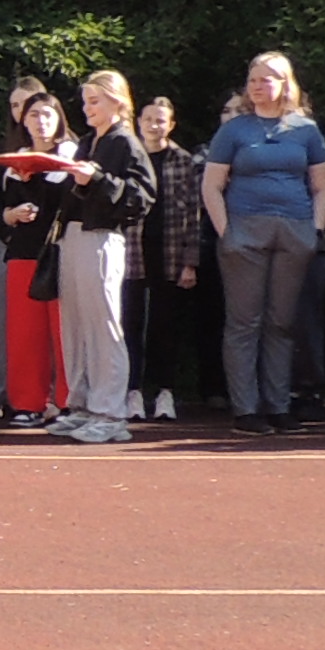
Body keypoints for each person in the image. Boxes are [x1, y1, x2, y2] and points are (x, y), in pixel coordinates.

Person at [200, 55, 325, 435]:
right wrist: (226, 231)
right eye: (253, 79)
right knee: (244, 322)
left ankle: (278, 405)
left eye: (266, 79)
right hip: (244, 229)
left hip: (294, 230)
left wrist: (314, 229)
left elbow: (322, 186)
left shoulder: (306, 130)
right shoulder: (234, 130)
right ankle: (245, 409)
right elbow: (211, 185)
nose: (257, 86)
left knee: (282, 322)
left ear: (285, 84)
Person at [50, 73, 157, 443]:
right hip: (73, 236)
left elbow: (141, 198)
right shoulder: (86, 141)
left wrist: (96, 180)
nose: (87, 108)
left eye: (95, 101)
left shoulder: (126, 142)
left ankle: (111, 413)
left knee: (103, 326)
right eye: (86, 101)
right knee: (76, 326)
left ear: (117, 101)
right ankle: (81, 405)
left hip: (102, 238)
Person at [0, 81, 79, 422]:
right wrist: (11, 214)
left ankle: (69, 402)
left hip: (61, 252)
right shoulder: (14, 162)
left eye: (47, 114)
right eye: (33, 115)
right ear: (23, 122)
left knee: (65, 331)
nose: (40, 121)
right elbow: (1, 209)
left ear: (59, 118)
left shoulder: (73, 156)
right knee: (25, 333)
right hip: (23, 253)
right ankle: (28, 404)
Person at [132, 92, 204, 420]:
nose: (153, 125)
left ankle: (164, 392)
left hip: (170, 251)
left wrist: (190, 262)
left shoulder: (184, 161)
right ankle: (132, 391)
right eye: (148, 119)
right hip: (132, 252)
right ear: (138, 122)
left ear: (171, 125)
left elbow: (193, 213)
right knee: (130, 323)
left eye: (160, 120)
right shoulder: (130, 156)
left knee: (166, 325)